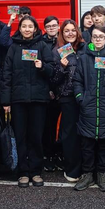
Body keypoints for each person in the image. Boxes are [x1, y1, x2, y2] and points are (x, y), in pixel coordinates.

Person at [1, 15, 55, 187]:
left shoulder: (42, 45)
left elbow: (53, 70)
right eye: (24, 26)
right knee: (21, 136)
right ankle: (23, 172)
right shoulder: (13, 47)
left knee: (36, 136)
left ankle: (36, 171)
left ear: (35, 29)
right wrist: (6, 101)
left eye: (30, 26)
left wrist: (43, 67)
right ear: (20, 28)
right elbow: (6, 74)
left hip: (38, 99)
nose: (27, 29)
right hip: (18, 100)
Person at [72, 25, 105, 191]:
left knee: (104, 144)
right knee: (86, 143)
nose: (98, 39)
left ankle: (102, 174)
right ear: (91, 38)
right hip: (88, 106)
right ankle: (87, 174)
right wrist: (81, 98)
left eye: (101, 36)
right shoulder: (84, 57)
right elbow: (77, 81)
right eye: (95, 37)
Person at [50, 20, 85, 181]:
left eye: (73, 30)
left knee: (85, 134)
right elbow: (53, 80)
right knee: (70, 135)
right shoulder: (57, 52)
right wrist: (62, 68)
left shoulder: (85, 49)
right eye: (66, 31)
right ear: (61, 34)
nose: (70, 33)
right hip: (67, 97)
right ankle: (72, 169)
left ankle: (87, 168)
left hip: (85, 97)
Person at [42, 15, 62, 172]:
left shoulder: (63, 42)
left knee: (63, 127)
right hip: (48, 92)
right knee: (48, 126)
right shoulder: (41, 43)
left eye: (54, 25)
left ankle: (60, 154)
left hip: (63, 90)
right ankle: (48, 155)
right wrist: (48, 90)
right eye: (48, 26)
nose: (51, 28)